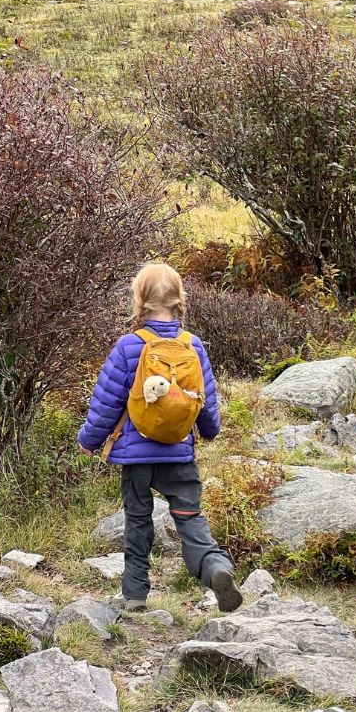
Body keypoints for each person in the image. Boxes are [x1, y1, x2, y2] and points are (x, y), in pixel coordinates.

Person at [78, 262, 242, 614]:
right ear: (179, 299)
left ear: (140, 300)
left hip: (136, 459)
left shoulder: (128, 346)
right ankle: (216, 569)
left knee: (137, 520)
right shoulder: (192, 345)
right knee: (190, 517)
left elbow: (107, 401)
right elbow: (205, 399)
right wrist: (210, 431)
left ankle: (134, 595)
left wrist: (89, 440)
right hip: (178, 454)